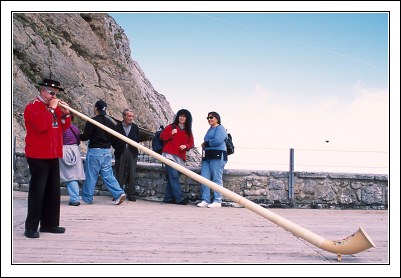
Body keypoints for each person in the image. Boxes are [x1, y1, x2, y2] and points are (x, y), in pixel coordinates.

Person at [23, 78, 71, 238]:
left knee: (52, 191)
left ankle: (49, 224)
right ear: (42, 91)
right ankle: (31, 227)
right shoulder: (32, 107)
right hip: (38, 155)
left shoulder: (54, 109)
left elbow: (62, 128)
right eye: (52, 93)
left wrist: (66, 115)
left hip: (53, 153)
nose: (54, 96)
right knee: (38, 191)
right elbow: (42, 126)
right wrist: (51, 109)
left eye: (56, 94)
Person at [80, 100, 126, 205]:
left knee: (91, 175)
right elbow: (115, 139)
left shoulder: (92, 121)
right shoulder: (110, 122)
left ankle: (87, 198)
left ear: (96, 108)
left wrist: (78, 136)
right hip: (107, 152)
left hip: (95, 151)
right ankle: (119, 193)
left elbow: (85, 136)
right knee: (108, 175)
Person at [160, 109, 194, 205]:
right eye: (180, 116)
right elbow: (161, 137)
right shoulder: (171, 127)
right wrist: (171, 133)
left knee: (173, 177)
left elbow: (191, 143)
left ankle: (167, 198)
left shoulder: (188, 131)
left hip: (180, 157)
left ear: (187, 118)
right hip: (168, 155)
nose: (182, 118)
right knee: (174, 176)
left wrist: (186, 146)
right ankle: (179, 199)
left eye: (184, 116)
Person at [197, 111, 228, 208]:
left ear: (217, 119)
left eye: (211, 117)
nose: (209, 119)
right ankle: (205, 200)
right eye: (208, 118)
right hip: (208, 157)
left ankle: (217, 200)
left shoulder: (220, 128)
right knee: (204, 178)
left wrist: (206, 143)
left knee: (216, 178)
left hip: (218, 156)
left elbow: (218, 140)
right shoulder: (210, 129)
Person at [113, 108, 142, 201]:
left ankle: (131, 194)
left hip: (132, 152)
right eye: (129, 116)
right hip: (120, 152)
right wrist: (118, 147)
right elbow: (113, 140)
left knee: (132, 173)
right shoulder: (117, 127)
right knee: (119, 173)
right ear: (124, 116)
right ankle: (118, 194)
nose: (131, 118)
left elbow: (137, 140)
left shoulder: (135, 127)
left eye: (132, 116)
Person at [59, 114, 86, 206]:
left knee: (64, 175)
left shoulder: (61, 128)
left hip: (63, 150)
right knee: (73, 176)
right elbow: (78, 141)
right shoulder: (75, 129)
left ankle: (74, 199)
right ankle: (75, 198)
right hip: (75, 150)